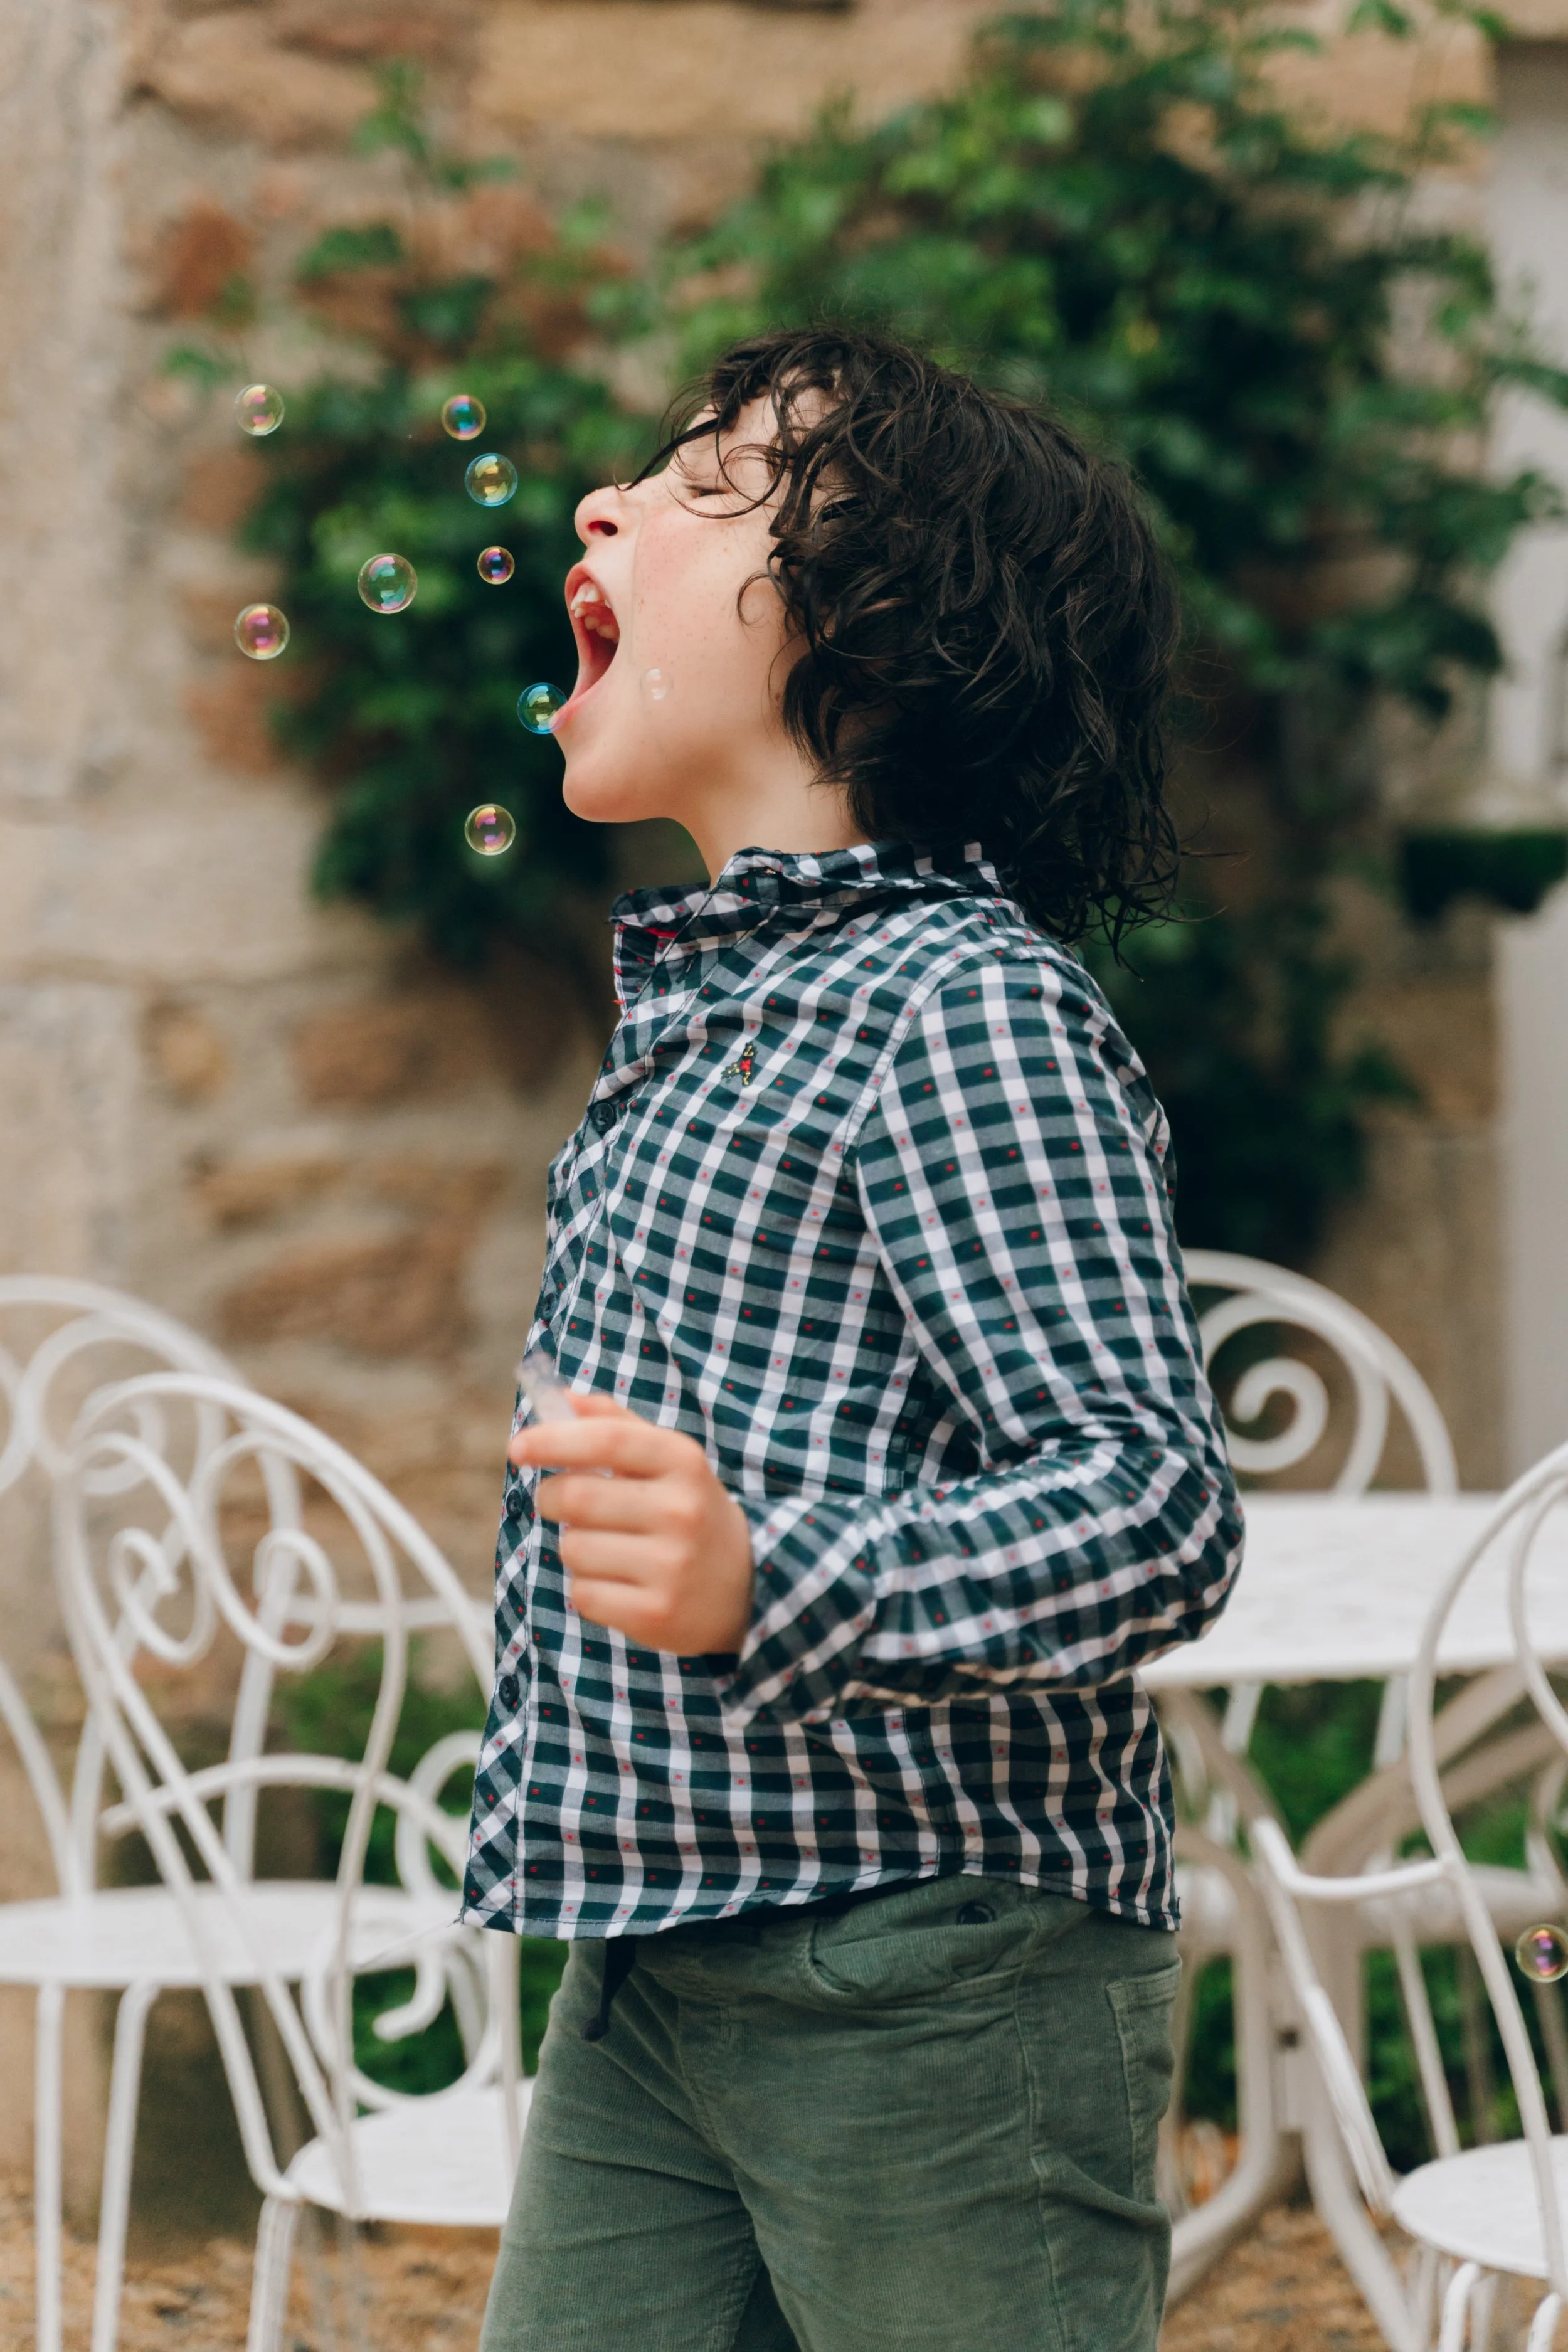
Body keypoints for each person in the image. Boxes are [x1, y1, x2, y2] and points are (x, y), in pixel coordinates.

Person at [464, 326, 1244, 2352]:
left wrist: (768, 1573)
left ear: (882, 643)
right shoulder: (718, 1009)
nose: (602, 500)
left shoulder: (954, 1006)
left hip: (928, 1973)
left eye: (712, 482)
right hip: (654, 1958)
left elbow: (1147, 1502)